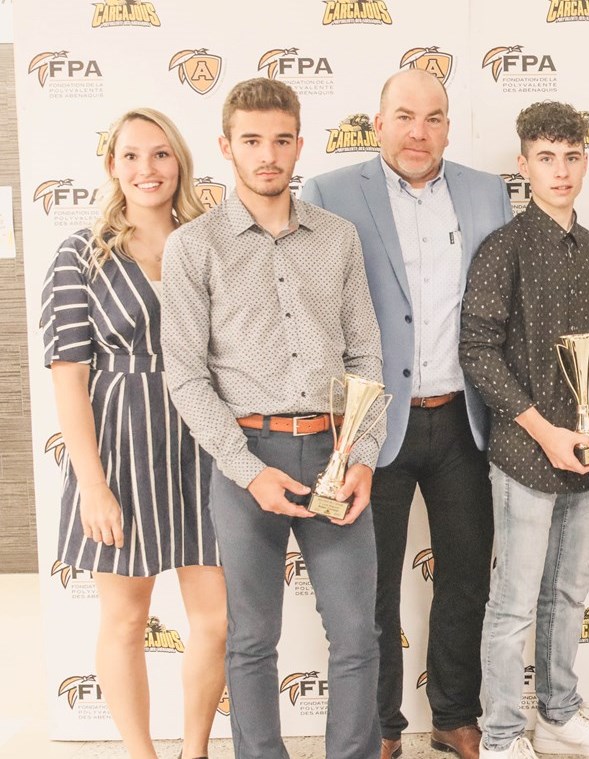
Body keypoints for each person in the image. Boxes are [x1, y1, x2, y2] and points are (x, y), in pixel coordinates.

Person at [161, 77, 386, 759]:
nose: (268, 155)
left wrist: (363, 455)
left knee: (356, 634)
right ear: (226, 146)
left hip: (333, 453)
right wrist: (247, 470)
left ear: (299, 145)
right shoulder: (194, 246)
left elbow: (365, 354)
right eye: (252, 140)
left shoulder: (338, 238)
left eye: (281, 140)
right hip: (246, 457)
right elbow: (186, 374)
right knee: (252, 638)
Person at [303, 68, 511, 759]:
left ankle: (454, 714)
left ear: (448, 127)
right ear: (378, 122)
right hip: (370, 425)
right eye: (404, 116)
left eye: (433, 118)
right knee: (371, 586)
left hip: (463, 419)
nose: (418, 132)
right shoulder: (330, 193)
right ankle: (382, 726)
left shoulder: (486, 193)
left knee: (466, 579)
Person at [40, 107, 223, 759]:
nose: (148, 168)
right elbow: (69, 374)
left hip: (208, 441)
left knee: (218, 619)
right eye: (132, 155)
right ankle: (141, 753)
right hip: (122, 446)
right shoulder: (81, 253)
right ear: (113, 166)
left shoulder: (211, 241)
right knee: (124, 618)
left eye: (161, 153)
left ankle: (195, 751)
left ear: (180, 162)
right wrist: (93, 484)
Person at [460, 100, 589, 759]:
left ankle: (559, 715)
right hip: (525, 455)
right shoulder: (501, 248)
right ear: (523, 164)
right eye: (546, 157)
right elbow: (478, 351)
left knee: (568, 590)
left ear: (585, 162)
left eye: (571, 157)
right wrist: (544, 432)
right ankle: (502, 735)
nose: (560, 170)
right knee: (513, 600)